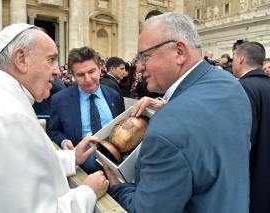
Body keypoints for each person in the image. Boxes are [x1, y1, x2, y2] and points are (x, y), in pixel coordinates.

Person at [0, 23, 109, 213]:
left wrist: (72, 157)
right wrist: (88, 192)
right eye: (51, 60)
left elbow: (21, 169)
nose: (57, 71)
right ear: (21, 59)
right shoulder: (8, 118)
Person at [103, 12, 252, 213]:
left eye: (145, 56)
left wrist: (118, 188)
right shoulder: (232, 86)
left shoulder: (166, 128)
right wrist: (167, 105)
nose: (139, 68)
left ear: (179, 52)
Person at [47, 47, 124, 174]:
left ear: (100, 68)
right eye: (81, 75)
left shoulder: (114, 95)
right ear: (72, 75)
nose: (88, 79)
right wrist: (63, 141)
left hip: (114, 167)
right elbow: (53, 131)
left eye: (91, 71)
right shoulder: (60, 100)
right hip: (81, 169)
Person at [232, 41, 270, 213]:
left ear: (241, 58)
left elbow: (242, 140)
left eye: (233, 57)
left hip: (252, 180)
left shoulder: (242, 88)